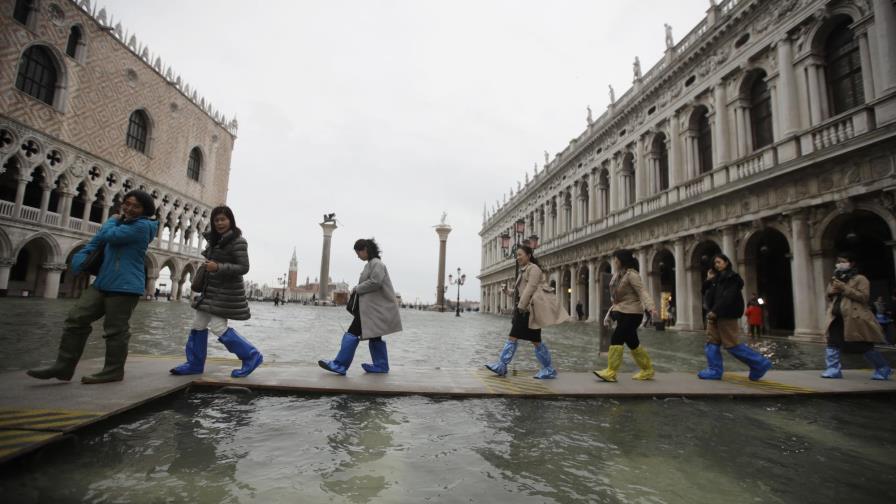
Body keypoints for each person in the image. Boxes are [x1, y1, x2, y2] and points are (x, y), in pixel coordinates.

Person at [27, 191, 159, 384]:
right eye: (127, 203)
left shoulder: (142, 227)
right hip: (103, 282)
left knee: (115, 329)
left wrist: (112, 220)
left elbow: (109, 235)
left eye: (136, 206)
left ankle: (113, 371)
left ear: (145, 211)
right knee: (76, 318)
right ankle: (63, 367)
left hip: (125, 285)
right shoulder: (124, 223)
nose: (129, 208)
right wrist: (81, 258)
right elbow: (98, 241)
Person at [170, 206, 263, 378]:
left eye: (223, 219)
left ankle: (251, 355)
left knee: (218, 327)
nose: (220, 223)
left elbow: (244, 267)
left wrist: (218, 267)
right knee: (198, 325)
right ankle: (194, 364)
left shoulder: (238, 241)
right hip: (210, 291)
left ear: (231, 221)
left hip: (225, 293)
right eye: (216, 220)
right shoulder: (214, 241)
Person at [319, 239, 402, 375]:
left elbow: (375, 282)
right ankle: (381, 365)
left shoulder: (376, 264)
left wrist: (357, 288)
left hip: (372, 310)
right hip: (374, 309)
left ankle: (340, 365)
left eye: (358, 253)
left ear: (365, 250)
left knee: (352, 332)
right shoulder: (372, 264)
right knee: (375, 336)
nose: (358, 256)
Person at [485, 245, 564, 379]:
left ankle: (503, 366)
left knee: (520, 338)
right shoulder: (524, 270)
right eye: (517, 255)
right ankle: (547, 368)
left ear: (529, 255)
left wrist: (521, 306)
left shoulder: (534, 269)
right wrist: (507, 291)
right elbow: (519, 293)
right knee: (530, 339)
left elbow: (530, 288)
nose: (518, 257)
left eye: (520, 254)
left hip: (528, 311)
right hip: (524, 309)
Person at [698, 254, 772, 381]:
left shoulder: (733, 278)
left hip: (726, 315)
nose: (716, 265)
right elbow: (705, 291)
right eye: (715, 263)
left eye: (719, 262)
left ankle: (759, 363)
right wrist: (708, 280)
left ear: (726, 262)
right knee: (711, 343)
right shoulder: (716, 279)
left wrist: (716, 311)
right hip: (713, 315)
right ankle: (714, 370)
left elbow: (728, 297)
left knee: (731, 344)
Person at [820, 252, 891, 380]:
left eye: (843, 261)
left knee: (862, 345)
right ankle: (833, 370)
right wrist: (832, 291)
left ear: (851, 263)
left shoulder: (860, 279)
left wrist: (844, 288)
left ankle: (882, 367)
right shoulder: (835, 278)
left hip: (854, 318)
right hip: (836, 317)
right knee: (832, 343)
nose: (840, 264)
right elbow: (828, 296)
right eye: (838, 261)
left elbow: (864, 297)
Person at [594, 249, 657, 382]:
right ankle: (647, 370)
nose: (614, 262)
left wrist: (650, 307)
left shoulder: (632, 275)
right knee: (633, 343)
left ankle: (611, 372)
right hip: (624, 312)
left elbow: (642, 291)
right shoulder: (619, 275)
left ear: (622, 261)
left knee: (616, 338)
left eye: (616, 259)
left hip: (633, 314)